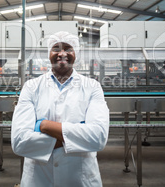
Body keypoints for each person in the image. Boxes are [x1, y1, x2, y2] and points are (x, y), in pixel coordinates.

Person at [11, 31, 110, 187]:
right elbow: (19, 142)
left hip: (80, 179)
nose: (62, 53)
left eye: (68, 48)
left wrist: (44, 126)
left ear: (75, 53)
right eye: (56, 48)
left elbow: (98, 137)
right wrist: (77, 135)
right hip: (38, 180)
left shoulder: (92, 87)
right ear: (49, 54)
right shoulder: (31, 87)